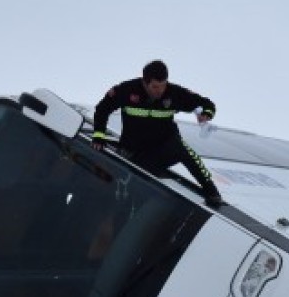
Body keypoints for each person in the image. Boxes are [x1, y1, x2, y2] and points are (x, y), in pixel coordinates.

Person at [92, 60, 225, 208]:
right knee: (131, 185)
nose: (160, 91)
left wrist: (206, 114)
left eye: (163, 86)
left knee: (186, 152)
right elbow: (102, 109)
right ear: (145, 82)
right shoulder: (126, 90)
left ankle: (211, 190)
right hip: (135, 150)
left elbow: (207, 104)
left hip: (164, 146)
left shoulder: (174, 93)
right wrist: (99, 135)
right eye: (155, 87)